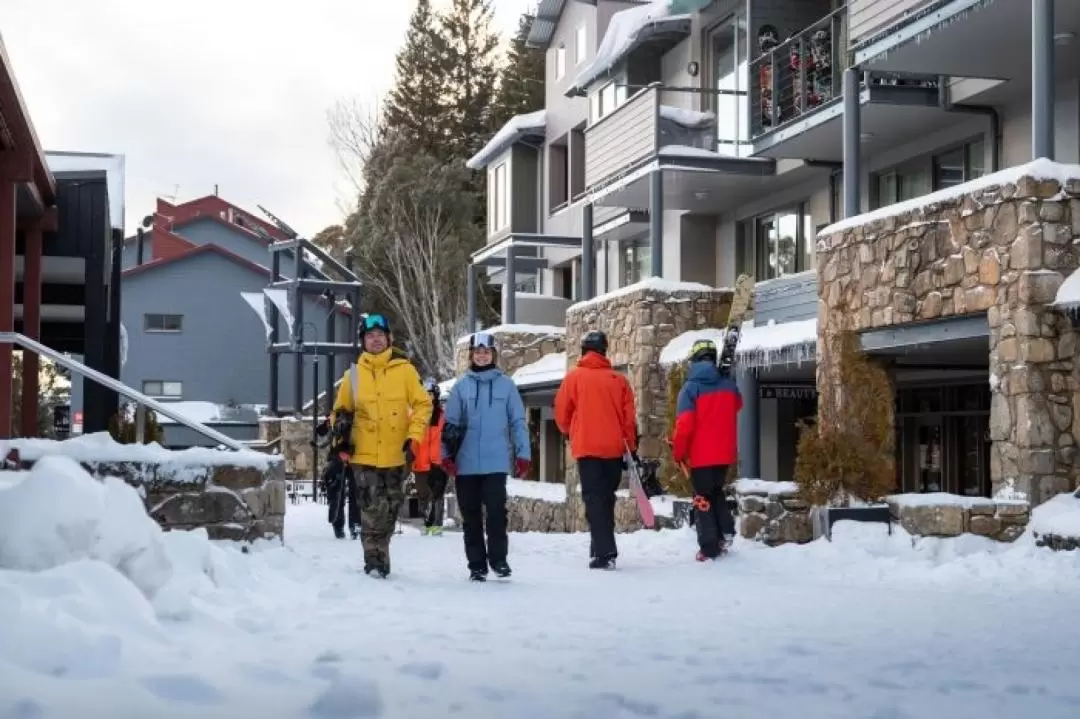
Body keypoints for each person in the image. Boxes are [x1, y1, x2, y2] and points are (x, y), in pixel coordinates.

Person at [333, 313, 432, 578]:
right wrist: (339, 439)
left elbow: (423, 404)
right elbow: (340, 411)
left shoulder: (406, 371)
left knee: (390, 509)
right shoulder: (352, 375)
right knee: (370, 506)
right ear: (363, 342)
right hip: (363, 453)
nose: (375, 340)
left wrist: (415, 436)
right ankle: (373, 559)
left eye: (379, 335)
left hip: (398, 454)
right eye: (369, 336)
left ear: (389, 338)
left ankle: (381, 551)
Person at [441, 331, 530, 582]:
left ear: (493, 355)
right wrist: (445, 455)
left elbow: (518, 421)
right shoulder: (461, 387)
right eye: (478, 352)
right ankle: (476, 565)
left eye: (486, 351)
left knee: (496, 513)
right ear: (471, 355)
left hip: (495, 462)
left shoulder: (507, 385)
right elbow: (449, 424)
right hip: (466, 463)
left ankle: (499, 560)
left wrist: (523, 453)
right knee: (470, 517)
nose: (482, 355)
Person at [554, 330, 637, 570]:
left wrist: (570, 431)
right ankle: (600, 547)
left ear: (583, 351)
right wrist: (629, 448)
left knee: (593, 499)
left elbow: (561, 413)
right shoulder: (618, 380)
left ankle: (604, 552)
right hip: (613, 449)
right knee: (606, 498)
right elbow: (629, 420)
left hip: (587, 448)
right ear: (604, 351)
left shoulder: (574, 378)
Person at [670, 339, 741, 561]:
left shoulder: (690, 389)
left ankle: (709, 546)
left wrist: (678, 452)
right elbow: (738, 404)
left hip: (701, 455)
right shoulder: (729, 385)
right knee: (717, 491)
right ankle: (726, 531)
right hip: (724, 454)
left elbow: (684, 427)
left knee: (702, 497)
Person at [313, 413, 359, 540]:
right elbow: (326, 432)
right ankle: (340, 526)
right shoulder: (336, 414)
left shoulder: (360, 410)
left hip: (355, 456)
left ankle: (354, 525)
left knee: (355, 493)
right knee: (337, 492)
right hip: (339, 456)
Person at [413, 377, 449, 536]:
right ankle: (425, 521)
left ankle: (436, 525)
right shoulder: (415, 414)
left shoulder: (443, 416)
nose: (428, 397)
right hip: (420, 461)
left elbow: (448, 436)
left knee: (437, 494)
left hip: (438, 461)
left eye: (430, 394)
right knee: (423, 493)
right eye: (425, 394)